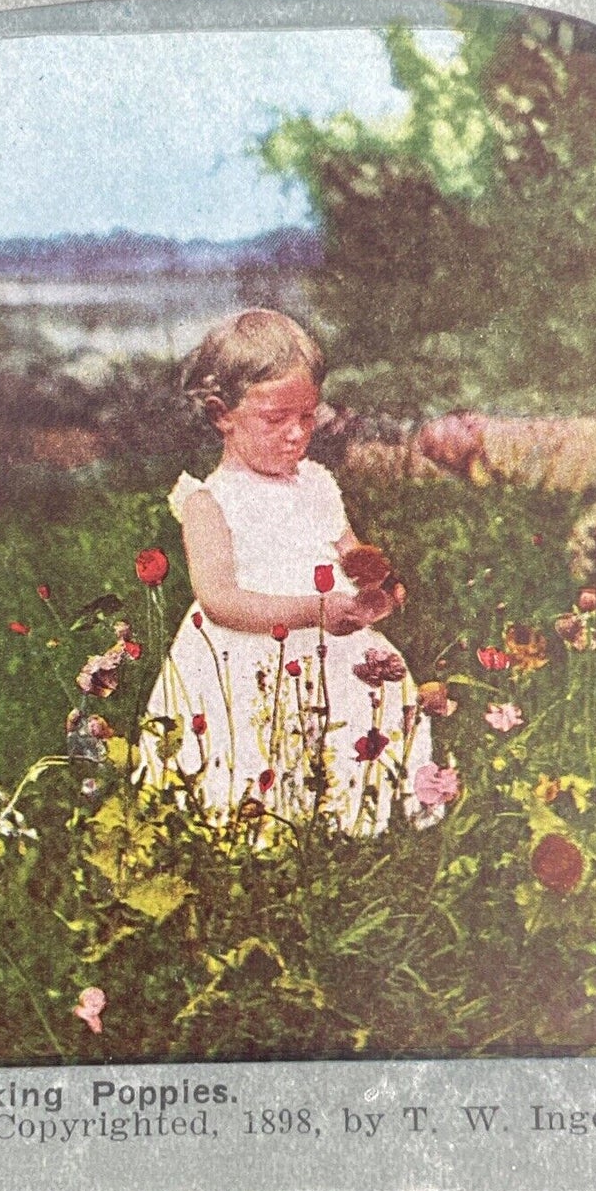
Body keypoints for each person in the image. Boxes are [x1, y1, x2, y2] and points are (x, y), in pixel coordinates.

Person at [143, 309, 434, 834]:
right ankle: (267, 826)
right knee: (260, 742)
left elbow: (349, 553)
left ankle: (355, 814)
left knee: (357, 714)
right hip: (249, 651)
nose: (296, 435)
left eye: (308, 417)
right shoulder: (210, 501)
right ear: (221, 414)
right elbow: (220, 599)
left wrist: (376, 586)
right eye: (276, 419)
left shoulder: (317, 483)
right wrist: (314, 611)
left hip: (331, 640)